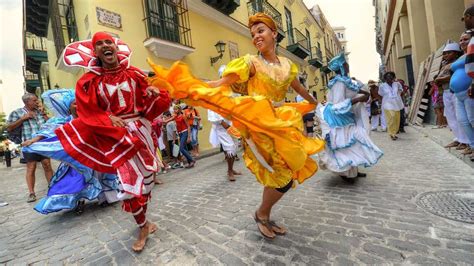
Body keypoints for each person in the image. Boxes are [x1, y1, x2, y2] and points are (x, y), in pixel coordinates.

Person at [148, 13, 324, 239]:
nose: (256, 37)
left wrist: (314, 103)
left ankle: (264, 213)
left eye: (260, 31)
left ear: (274, 34)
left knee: (291, 167)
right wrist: (180, 87)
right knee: (282, 175)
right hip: (256, 126)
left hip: (281, 123)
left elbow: (298, 88)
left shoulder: (288, 65)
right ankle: (262, 213)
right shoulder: (250, 62)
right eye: (253, 34)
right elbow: (217, 85)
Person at [54, 32, 171, 252]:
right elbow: (87, 111)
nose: (106, 46)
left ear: (116, 48)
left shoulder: (135, 74)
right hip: (115, 137)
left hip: (142, 133)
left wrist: (154, 94)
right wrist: (108, 117)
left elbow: (149, 106)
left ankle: (145, 220)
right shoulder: (89, 82)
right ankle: (142, 226)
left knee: (146, 180)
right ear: (94, 51)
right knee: (129, 185)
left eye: (109, 42)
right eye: (100, 44)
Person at [22, 89, 120, 214]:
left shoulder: (91, 118)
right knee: (77, 179)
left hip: (95, 155)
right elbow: (48, 131)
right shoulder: (64, 121)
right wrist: (34, 140)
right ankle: (80, 201)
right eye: (74, 103)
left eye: (80, 103)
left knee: (101, 175)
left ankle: (105, 198)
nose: (78, 105)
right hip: (76, 158)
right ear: (68, 108)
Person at [317, 54, 383, 180]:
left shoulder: (344, 81)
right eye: (345, 64)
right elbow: (338, 104)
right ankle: (346, 172)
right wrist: (359, 99)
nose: (348, 66)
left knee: (353, 143)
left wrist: (363, 93)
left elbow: (356, 93)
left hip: (346, 116)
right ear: (341, 66)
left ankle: (353, 171)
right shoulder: (339, 83)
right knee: (345, 144)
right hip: (339, 119)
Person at [6, 93, 53, 202]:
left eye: (37, 100)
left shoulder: (40, 111)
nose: (37, 102)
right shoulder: (17, 113)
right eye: (35, 100)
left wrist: (44, 114)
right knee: (31, 167)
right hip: (29, 144)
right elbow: (9, 128)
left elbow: (50, 124)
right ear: (27, 102)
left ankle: (52, 188)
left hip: (43, 143)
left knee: (47, 165)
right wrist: (23, 118)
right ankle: (32, 193)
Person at [435, 42, 470, 150]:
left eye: (448, 53)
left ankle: (465, 141)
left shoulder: (457, 63)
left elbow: (454, 76)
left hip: (454, 92)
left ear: (456, 53)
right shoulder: (444, 65)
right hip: (445, 92)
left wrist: (440, 80)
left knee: (460, 117)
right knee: (451, 117)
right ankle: (458, 138)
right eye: (444, 53)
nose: (445, 55)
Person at [449, 31, 474, 157]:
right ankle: (472, 146)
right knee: (463, 121)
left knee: (472, 119)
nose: (462, 42)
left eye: (466, 39)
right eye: (461, 40)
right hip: (458, 95)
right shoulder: (461, 56)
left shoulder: (472, 53)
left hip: (469, 92)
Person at [378, 72, 405, 140]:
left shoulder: (397, 84)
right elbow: (380, 94)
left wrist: (397, 96)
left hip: (396, 104)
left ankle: (394, 132)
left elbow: (401, 90)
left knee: (396, 119)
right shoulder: (382, 86)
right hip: (387, 104)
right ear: (385, 78)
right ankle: (391, 133)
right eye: (387, 77)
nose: (389, 78)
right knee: (391, 117)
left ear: (393, 77)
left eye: (390, 76)